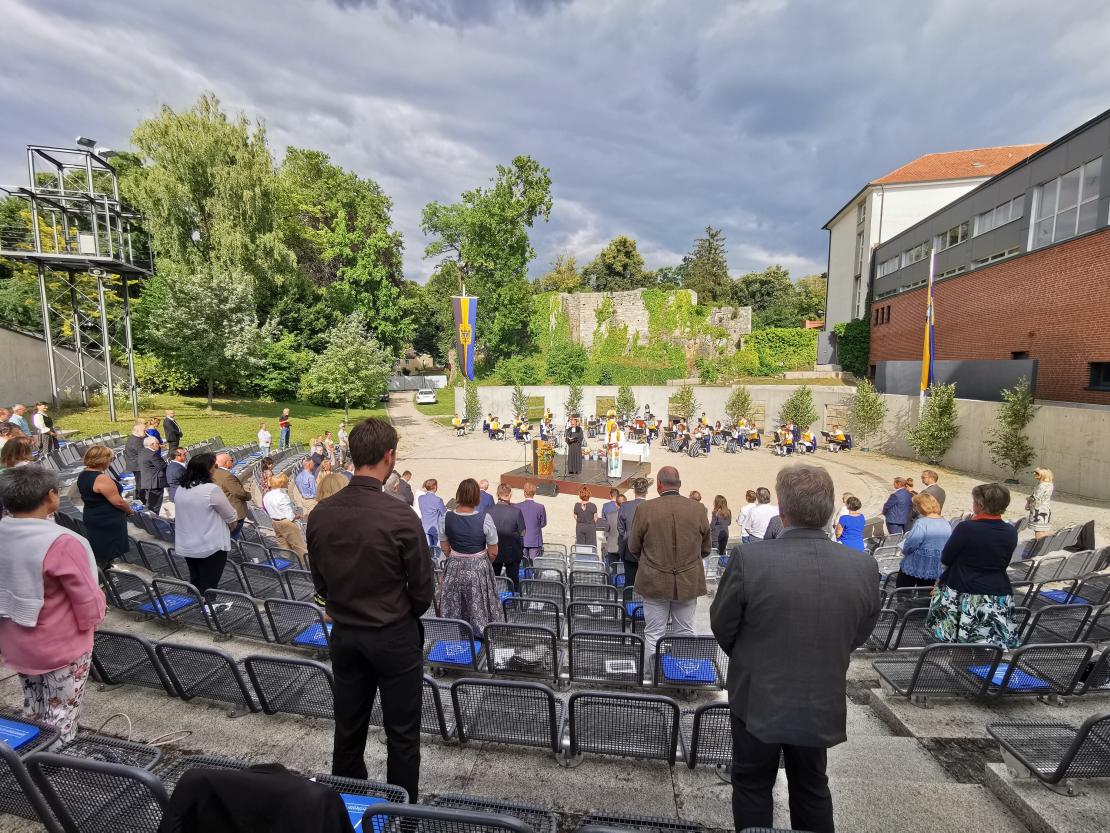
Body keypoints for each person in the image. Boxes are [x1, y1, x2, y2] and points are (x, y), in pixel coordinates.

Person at [711, 464, 880, 833]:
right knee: (812, 786)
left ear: (782, 510)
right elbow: (859, 631)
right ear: (829, 509)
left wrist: (753, 656)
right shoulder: (863, 566)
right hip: (820, 694)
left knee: (752, 784)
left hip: (757, 695)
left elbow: (722, 625)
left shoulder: (751, 559)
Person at [306, 417, 434, 802]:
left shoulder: (321, 514)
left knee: (348, 729)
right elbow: (423, 591)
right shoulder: (401, 515)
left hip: (346, 636)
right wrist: (398, 612)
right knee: (402, 735)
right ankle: (401, 817)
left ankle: (346, 807)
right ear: (389, 456)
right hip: (393, 636)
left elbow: (321, 584)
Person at [0, 466, 106, 742]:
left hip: (15, 639)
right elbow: (87, 599)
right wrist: (95, 620)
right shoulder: (61, 542)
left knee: (34, 702)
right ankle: (53, 760)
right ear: (51, 496)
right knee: (62, 713)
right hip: (60, 643)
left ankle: (28, 753)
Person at [627, 466, 711, 661]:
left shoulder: (645, 509)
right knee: (684, 631)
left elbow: (634, 546)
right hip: (688, 580)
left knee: (654, 633)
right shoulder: (698, 509)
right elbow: (706, 548)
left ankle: (652, 674)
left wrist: (651, 563)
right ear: (679, 484)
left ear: (658, 485)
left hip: (654, 580)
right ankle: (680, 673)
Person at [928, 482, 1019, 648]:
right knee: (989, 642)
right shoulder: (1010, 531)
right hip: (997, 592)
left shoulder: (967, 528)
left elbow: (946, 558)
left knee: (961, 642)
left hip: (965, 591)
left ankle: (960, 664)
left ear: (980, 505)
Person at [438, 478, 502, 636]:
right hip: (478, 567)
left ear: (458, 495)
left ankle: (456, 633)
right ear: (476, 497)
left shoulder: (445, 518)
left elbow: (445, 548)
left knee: (455, 602)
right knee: (478, 603)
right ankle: (480, 634)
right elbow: (493, 552)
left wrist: (457, 558)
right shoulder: (485, 519)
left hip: (454, 567)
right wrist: (482, 563)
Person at [171, 453, 237, 596]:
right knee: (209, 585)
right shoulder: (211, 490)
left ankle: (195, 605)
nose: (216, 469)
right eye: (214, 466)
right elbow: (231, 516)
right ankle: (205, 607)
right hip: (210, 545)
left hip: (188, 544)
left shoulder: (181, 488)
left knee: (195, 581)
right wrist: (231, 527)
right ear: (207, 470)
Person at [77, 445, 134, 570]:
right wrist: (130, 511)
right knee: (103, 554)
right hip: (106, 520)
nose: (110, 462)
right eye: (110, 459)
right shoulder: (101, 478)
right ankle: (100, 577)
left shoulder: (83, 474)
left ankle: (104, 574)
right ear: (103, 460)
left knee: (101, 552)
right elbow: (118, 502)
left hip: (94, 516)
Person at [896, 493, 950, 588]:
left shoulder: (921, 523)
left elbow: (911, 545)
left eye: (916, 505)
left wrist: (904, 550)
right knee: (925, 594)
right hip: (934, 567)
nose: (915, 508)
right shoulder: (946, 523)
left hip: (915, 565)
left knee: (903, 591)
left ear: (922, 506)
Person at [262, 472, 308, 561]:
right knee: (298, 545)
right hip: (286, 522)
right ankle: (305, 563)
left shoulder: (267, 495)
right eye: (286, 482)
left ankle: (287, 561)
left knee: (282, 543)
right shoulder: (283, 496)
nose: (288, 483)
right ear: (281, 483)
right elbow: (290, 515)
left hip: (275, 521)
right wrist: (295, 516)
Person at [488, 483, 526, 587]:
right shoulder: (516, 512)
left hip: (494, 551)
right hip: (512, 552)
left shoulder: (488, 510)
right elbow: (523, 532)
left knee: (492, 581)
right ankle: (514, 597)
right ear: (509, 495)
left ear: (497, 494)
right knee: (513, 581)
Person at [618, 478, 649, 587]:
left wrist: (627, 538)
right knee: (645, 585)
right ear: (646, 490)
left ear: (634, 490)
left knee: (629, 583)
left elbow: (620, 529)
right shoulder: (652, 506)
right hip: (647, 552)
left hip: (629, 549)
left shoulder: (625, 506)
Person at [213, 452, 250, 538]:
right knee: (233, 537)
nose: (233, 462)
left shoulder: (212, 472)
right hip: (234, 512)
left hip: (221, 512)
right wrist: (248, 495)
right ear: (226, 462)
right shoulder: (227, 476)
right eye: (231, 460)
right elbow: (239, 493)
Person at [516, 481, 547, 561]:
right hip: (535, 540)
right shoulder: (540, 507)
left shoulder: (517, 506)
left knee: (523, 563)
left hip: (522, 539)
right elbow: (543, 523)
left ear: (524, 493)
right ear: (534, 493)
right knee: (534, 564)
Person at [138, 436, 167, 514]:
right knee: (154, 506)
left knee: (150, 504)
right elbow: (163, 466)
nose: (159, 445)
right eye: (158, 443)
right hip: (155, 483)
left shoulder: (143, 452)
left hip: (148, 482)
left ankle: (148, 518)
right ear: (152, 444)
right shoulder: (153, 454)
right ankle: (152, 520)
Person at [418, 479, 448, 551]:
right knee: (437, 551)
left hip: (424, 527)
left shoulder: (420, 498)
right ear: (435, 487)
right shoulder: (438, 500)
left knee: (428, 550)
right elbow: (444, 513)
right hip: (435, 529)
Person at [1027, 468, 1054, 539]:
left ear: (1043, 474)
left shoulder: (1042, 485)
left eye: (1037, 473)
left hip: (1038, 510)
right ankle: (1041, 544)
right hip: (1046, 509)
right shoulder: (1050, 484)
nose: (1034, 474)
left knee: (1038, 531)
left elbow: (1035, 497)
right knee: (1042, 530)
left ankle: (1039, 545)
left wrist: (1028, 499)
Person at [123, 421, 146, 501]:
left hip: (136, 464)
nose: (145, 432)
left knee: (140, 482)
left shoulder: (137, 438)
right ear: (137, 431)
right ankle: (141, 499)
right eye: (144, 430)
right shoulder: (136, 440)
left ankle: (140, 497)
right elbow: (143, 453)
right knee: (140, 483)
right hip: (137, 465)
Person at [604, 494, 624, 565]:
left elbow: (606, 531)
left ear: (616, 504)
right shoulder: (629, 515)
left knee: (612, 568)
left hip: (612, 546)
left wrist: (608, 540)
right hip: (624, 547)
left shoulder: (609, 515)